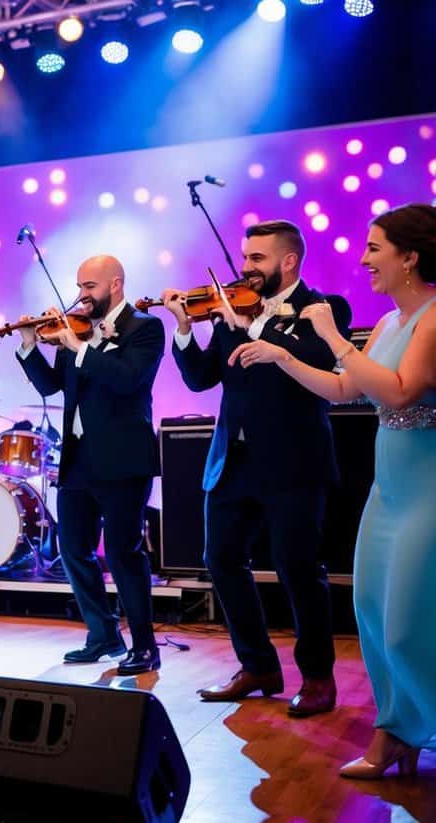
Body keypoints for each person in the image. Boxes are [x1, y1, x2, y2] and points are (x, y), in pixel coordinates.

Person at [227, 204, 436, 777]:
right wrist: (282, 354)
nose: (363, 259)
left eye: (375, 248)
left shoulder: (434, 319)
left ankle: (409, 730)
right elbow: (345, 390)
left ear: (410, 257)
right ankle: (398, 732)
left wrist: (329, 336)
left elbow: (396, 394)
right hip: (387, 491)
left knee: (408, 622)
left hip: (428, 491)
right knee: (369, 610)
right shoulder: (392, 323)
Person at [163, 220, 350, 717]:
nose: (245, 268)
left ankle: (317, 678)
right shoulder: (229, 311)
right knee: (220, 559)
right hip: (234, 461)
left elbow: (319, 365)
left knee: (299, 570)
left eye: (257, 259)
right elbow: (203, 379)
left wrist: (256, 328)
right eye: (245, 257)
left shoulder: (323, 309)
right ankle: (259, 665)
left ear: (288, 261)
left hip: (294, 462)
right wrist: (184, 330)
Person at [13, 256, 163, 674]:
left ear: (116, 285)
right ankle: (103, 635)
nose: (81, 295)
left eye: (90, 286)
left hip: (123, 460)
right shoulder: (75, 330)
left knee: (122, 552)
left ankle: (146, 646)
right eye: (79, 285)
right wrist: (29, 344)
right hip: (79, 460)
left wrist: (78, 348)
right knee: (73, 547)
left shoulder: (144, 327)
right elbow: (50, 386)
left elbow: (128, 379)